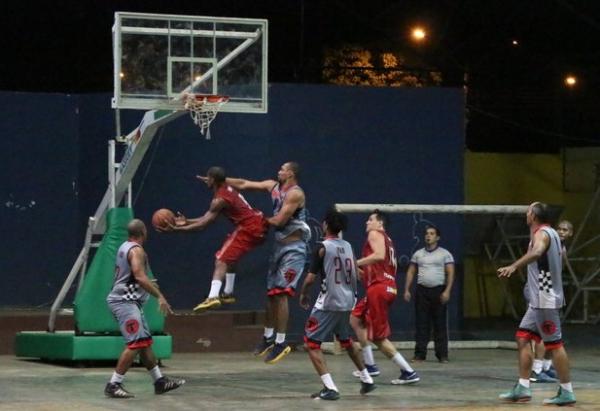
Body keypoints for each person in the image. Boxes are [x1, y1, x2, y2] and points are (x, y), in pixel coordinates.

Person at [225, 161, 311, 364]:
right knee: (271, 294)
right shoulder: (273, 186)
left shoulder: (295, 194)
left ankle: (281, 343)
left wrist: (256, 219)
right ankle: (268, 337)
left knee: (281, 294)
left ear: (290, 173)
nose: (278, 171)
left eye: (282, 169)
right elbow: (244, 183)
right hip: (279, 246)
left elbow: (280, 220)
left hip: (295, 249)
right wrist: (221, 181)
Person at [497, 202, 576, 406]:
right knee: (522, 337)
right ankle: (523, 387)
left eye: (528, 211)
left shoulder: (542, 234)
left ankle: (567, 391)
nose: (526, 214)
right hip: (538, 300)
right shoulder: (552, 233)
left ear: (533, 215)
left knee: (555, 345)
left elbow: (538, 252)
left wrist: (514, 266)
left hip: (544, 299)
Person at [166, 166, 268, 312]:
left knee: (221, 259)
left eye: (209, 178)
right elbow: (204, 218)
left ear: (212, 180)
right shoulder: (227, 186)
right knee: (230, 254)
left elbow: (203, 224)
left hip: (249, 228)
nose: (206, 180)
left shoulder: (219, 199)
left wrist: (177, 229)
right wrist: (187, 221)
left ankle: (213, 297)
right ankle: (227, 293)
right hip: (258, 224)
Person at [299, 208, 376, 400]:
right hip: (348, 301)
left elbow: (309, 279)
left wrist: (303, 294)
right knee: (346, 341)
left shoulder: (322, 247)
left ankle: (330, 388)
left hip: (329, 303)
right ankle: (367, 378)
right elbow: (358, 273)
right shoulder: (348, 246)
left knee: (311, 343)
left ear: (325, 225)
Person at [105, 219, 185, 398]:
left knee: (144, 343)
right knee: (135, 344)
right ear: (143, 232)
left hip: (127, 302)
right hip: (124, 303)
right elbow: (139, 277)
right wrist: (160, 296)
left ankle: (159, 382)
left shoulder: (124, 246)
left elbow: (131, 277)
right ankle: (113, 384)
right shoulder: (136, 250)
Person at [349, 210, 419, 385]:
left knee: (378, 337)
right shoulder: (388, 240)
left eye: (370, 219)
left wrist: (354, 262)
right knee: (355, 319)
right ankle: (370, 365)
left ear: (380, 224)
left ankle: (408, 371)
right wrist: (356, 269)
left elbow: (379, 256)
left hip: (379, 289)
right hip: (383, 287)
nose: (367, 222)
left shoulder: (375, 234)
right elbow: (377, 265)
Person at [529, 219, 574, 383]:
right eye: (560, 229)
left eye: (565, 230)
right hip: (541, 289)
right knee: (544, 331)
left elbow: (561, 268)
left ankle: (546, 366)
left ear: (570, 233)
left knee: (553, 330)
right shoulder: (546, 242)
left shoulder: (561, 248)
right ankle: (536, 369)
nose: (562, 232)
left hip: (551, 291)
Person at [403, 225, 455, 363]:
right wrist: (407, 289)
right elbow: (411, 272)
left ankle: (442, 355)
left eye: (432, 234)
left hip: (438, 291)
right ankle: (420, 354)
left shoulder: (445, 254)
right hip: (422, 292)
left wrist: (447, 291)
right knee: (421, 324)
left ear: (437, 237)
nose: (428, 236)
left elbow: (450, 273)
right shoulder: (418, 254)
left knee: (440, 324)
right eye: (426, 233)